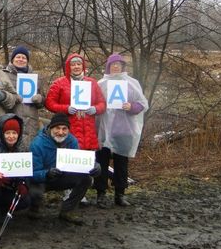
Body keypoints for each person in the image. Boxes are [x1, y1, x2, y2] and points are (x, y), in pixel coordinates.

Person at [45, 53, 105, 205]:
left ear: (83, 66)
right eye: (73, 64)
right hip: (69, 128)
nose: (76, 67)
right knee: (69, 160)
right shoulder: (59, 83)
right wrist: (66, 108)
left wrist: (95, 109)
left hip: (88, 128)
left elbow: (102, 103)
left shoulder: (92, 83)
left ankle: (81, 192)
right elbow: (49, 103)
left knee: (85, 161)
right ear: (68, 67)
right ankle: (68, 191)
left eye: (79, 64)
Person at [94, 53, 149, 207]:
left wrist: (131, 106)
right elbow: (92, 103)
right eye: (113, 64)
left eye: (119, 64)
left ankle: (120, 194)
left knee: (121, 163)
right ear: (108, 67)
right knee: (101, 162)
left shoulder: (132, 84)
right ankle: (101, 194)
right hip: (103, 131)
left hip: (123, 130)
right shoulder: (100, 84)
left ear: (123, 67)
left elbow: (142, 104)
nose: (116, 67)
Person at [28, 113, 101, 225]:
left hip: (61, 177)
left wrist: (95, 166)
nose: (61, 132)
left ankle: (67, 211)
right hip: (42, 179)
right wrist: (47, 173)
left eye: (64, 129)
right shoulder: (37, 144)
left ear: (68, 130)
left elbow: (80, 162)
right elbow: (32, 173)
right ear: (51, 127)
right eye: (57, 128)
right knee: (34, 189)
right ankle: (34, 207)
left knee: (86, 179)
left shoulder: (72, 141)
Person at [2, 46, 45, 151]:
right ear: (12, 59)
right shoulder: (3, 75)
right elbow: (0, 96)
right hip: (11, 118)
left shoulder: (36, 77)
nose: (21, 59)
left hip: (31, 122)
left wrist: (40, 99)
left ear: (27, 61)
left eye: (24, 58)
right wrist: (12, 97)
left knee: (29, 151)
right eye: (18, 57)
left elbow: (43, 101)